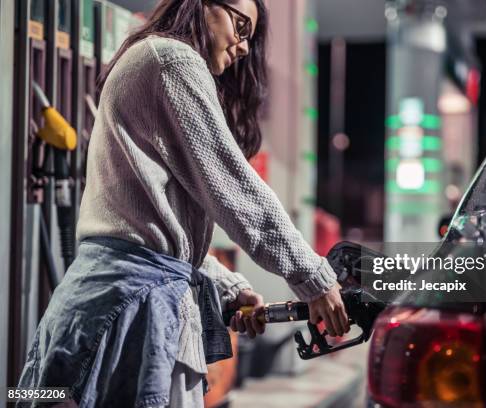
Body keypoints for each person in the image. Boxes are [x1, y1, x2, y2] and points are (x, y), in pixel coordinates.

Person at [16, 0, 349, 406]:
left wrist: (228, 286)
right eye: (241, 26)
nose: (244, 47)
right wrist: (314, 277)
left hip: (111, 305)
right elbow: (235, 189)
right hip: (125, 311)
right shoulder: (171, 59)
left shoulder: (154, 59)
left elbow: (151, 233)